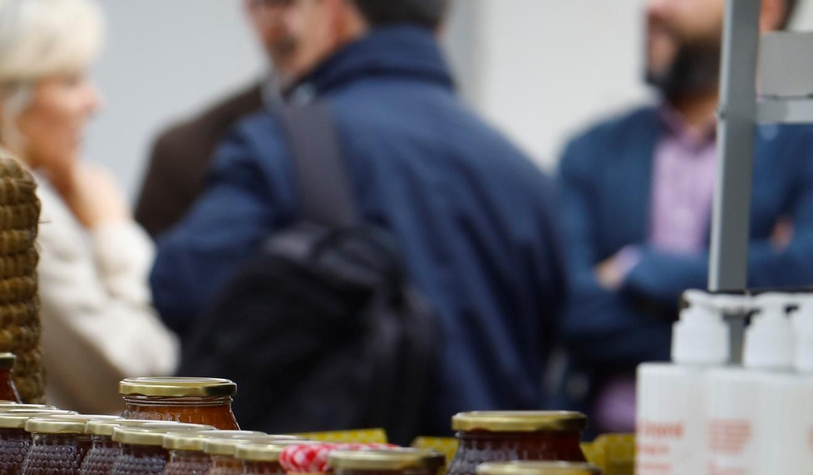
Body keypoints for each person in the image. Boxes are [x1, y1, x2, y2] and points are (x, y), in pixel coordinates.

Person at [151, 0, 564, 428]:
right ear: (440, 22)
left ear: (335, 14)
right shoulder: (527, 178)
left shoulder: (281, 145)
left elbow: (179, 285)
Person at [557, 0, 813, 432]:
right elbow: (573, 310)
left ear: (764, 9)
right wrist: (750, 305)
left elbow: (804, 274)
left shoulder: (802, 146)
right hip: (607, 453)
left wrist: (639, 268)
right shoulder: (594, 152)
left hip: (761, 446)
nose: (653, 8)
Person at [0, 0, 178, 413]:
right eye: (71, 81)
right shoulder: (17, 210)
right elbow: (136, 374)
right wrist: (112, 230)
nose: (94, 102)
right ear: (2, 99)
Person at [135, 0, 294, 238]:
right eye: (277, 3)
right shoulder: (184, 153)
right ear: (250, 9)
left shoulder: (363, 131)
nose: (294, 20)